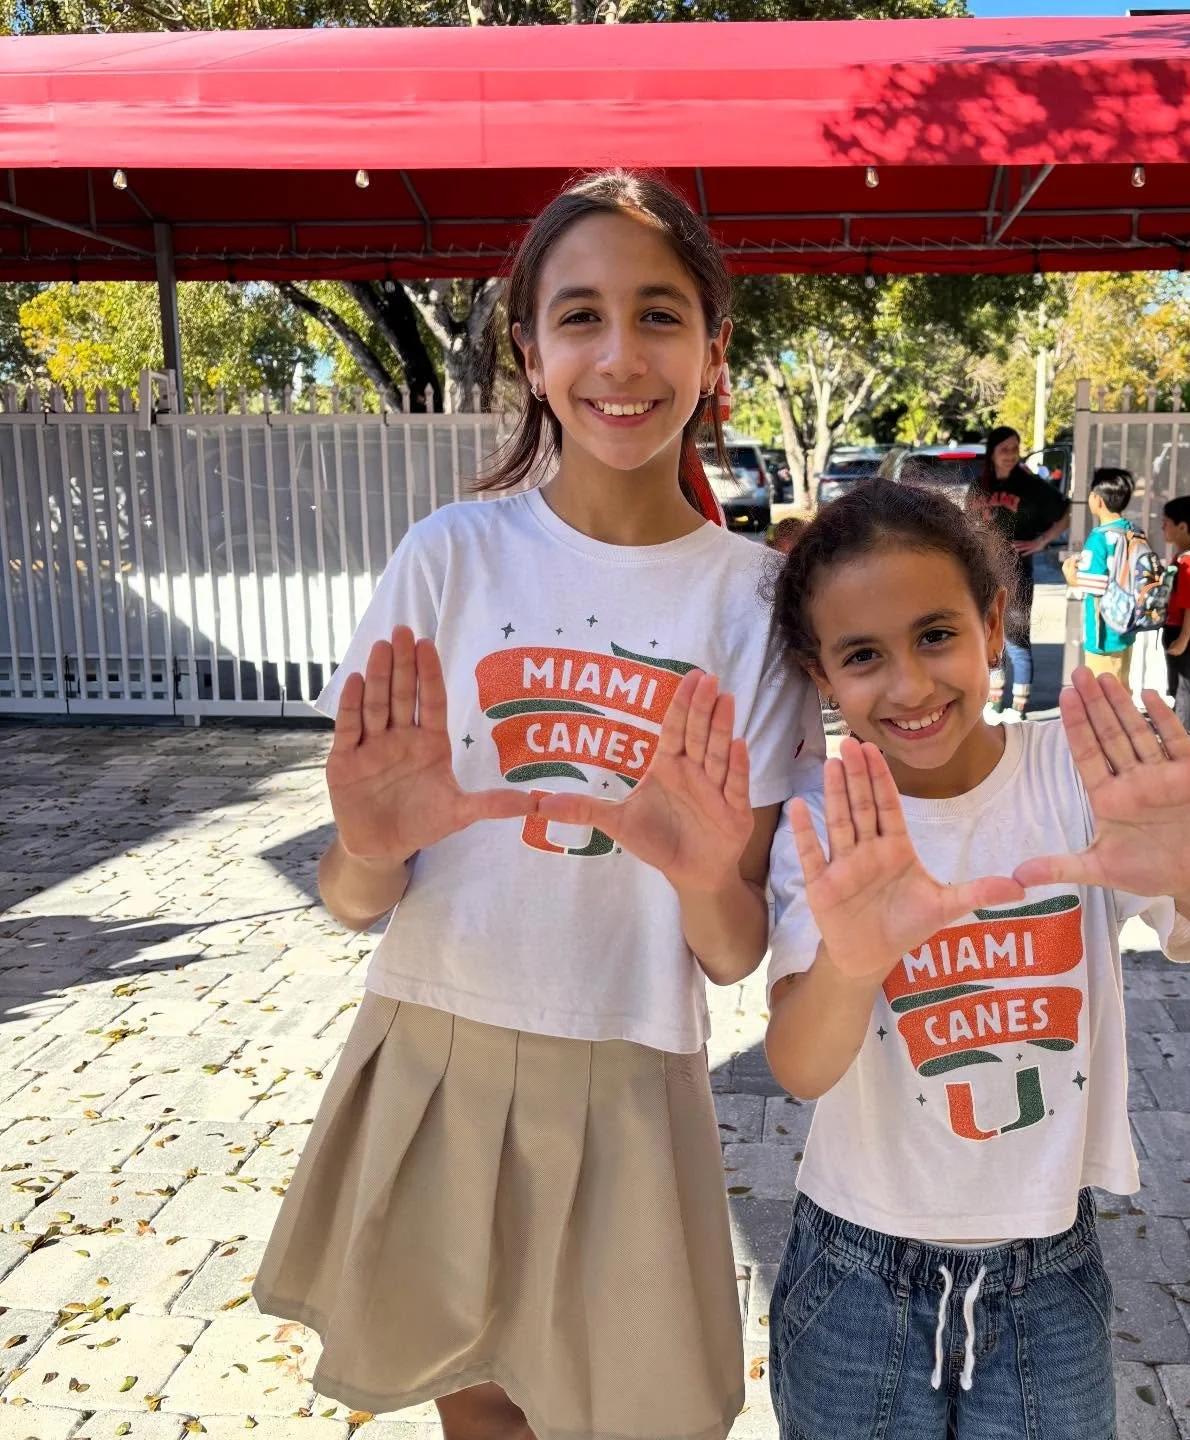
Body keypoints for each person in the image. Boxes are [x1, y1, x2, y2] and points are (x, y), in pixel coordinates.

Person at [254, 170, 819, 1440]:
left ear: (714, 347)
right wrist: (364, 846)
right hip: (439, 1041)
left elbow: (732, 954)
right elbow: (356, 902)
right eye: (580, 317)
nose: (620, 356)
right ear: (529, 348)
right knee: (485, 1413)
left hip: (634, 1066)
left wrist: (697, 872)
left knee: (638, 1413)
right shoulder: (449, 557)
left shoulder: (753, 606)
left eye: (661, 315)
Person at [761, 479, 1190, 1440]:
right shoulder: (827, 822)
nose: (912, 685)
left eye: (935, 635)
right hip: (853, 1274)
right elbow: (801, 1069)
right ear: (820, 671)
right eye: (862, 656)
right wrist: (853, 961)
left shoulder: (1074, 777)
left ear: (994, 619)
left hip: (1046, 1268)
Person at [967, 426, 1071, 721]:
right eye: (1005, 449)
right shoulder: (979, 486)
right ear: (993, 453)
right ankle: (996, 704)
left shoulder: (1030, 486)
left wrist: (1041, 541)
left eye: (1015, 448)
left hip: (1017, 573)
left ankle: (1018, 707)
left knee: (1016, 637)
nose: (1011, 455)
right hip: (984, 573)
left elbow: (1067, 512)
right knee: (987, 635)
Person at [1063, 467, 1140, 687]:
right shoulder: (1133, 531)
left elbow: (1096, 585)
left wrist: (1072, 578)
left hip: (1104, 632)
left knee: (1103, 690)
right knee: (1122, 687)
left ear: (1097, 500)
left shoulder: (1098, 538)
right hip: (1127, 626)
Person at [1162, 495, 1190, 730]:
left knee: (1182, 685)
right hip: (1174, 628)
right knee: (1177, 683)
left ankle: (1181, 734)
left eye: (1166, 522)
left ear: (1182, 527)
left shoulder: (1188, 563)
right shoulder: (1179, 559)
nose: (1162, 528)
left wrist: (1184, 637)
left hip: (1179, 629)